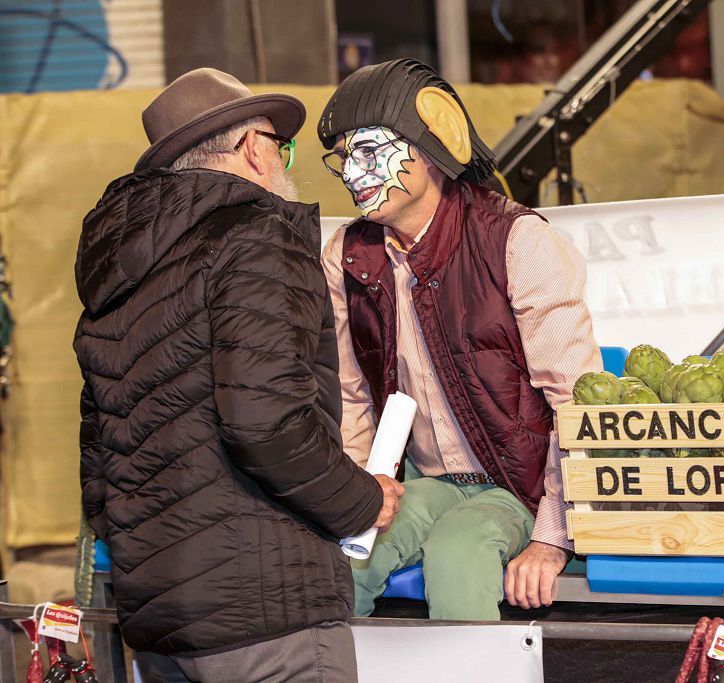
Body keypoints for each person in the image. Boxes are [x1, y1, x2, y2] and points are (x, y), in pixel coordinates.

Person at [73, 68, 403, 683]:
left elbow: (100, 452)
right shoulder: (257, 236)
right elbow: (266, 424)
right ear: (253, 147)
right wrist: (360, 502)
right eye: (283, 146)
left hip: (157, 614)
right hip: (264, 608)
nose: (283, 160)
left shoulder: (123, 267)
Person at [318, 58, 602, 620]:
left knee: (458, 552)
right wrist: (362, 498)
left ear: (432, 148)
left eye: (369, 151)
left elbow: (575, 401)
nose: (354, 173)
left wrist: (553, 535)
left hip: (521, 487)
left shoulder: (517, 241)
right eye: (344, 156)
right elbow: (350, 397)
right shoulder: (348, 256)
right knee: (340, 561)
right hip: (426, 482)